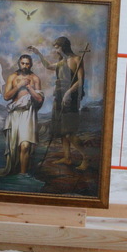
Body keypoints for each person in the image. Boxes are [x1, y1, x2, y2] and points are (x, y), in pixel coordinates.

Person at [29, 37, 88, 171]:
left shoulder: (77, 59)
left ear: (64, 46)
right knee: (62, 131)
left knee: (69, 131)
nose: (55, 50)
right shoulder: (62, 62)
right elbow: (48, 66)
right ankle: (67, 158)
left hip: (70, 98)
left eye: (57, 47)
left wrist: (68, 93)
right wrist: (38, 53)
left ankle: (86, 157)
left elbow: (80, 81)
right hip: (59, 96)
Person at [0, 54, 43, 177]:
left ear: (31, 64)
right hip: (15, 113)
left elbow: (40, 99)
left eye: (27, 64)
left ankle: (23, 175)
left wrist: (29, 88)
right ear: (19, 63)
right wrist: (19, 86)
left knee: (25, 145)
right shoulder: (13, 77)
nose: (25, 66)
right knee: (14, 147)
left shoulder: (35, 78)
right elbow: (6, 97)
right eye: (23, 63)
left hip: (28, 113)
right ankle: (15, 170)